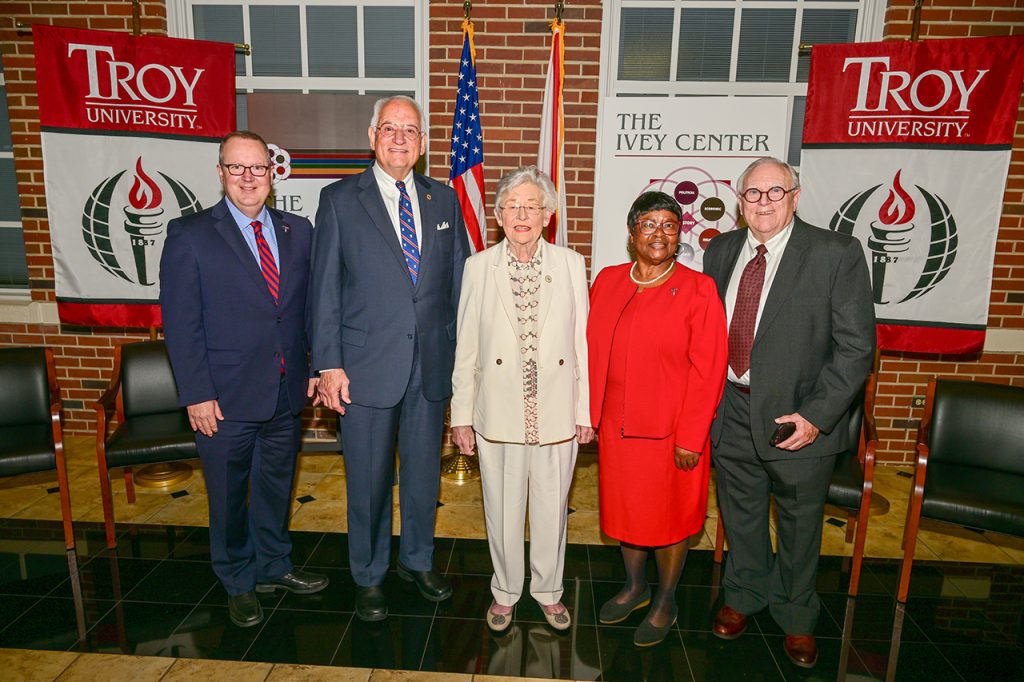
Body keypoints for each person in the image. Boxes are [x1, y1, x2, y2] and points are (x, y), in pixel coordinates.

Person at [703, 157, 875, 668]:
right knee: (741, 511)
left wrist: (817, 417)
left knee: (800, 524)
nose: (763, 203)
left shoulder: (835, 253)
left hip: (798, 417)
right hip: (732, 407)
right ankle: (745, 594)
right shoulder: (722, 251)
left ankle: (797, 616)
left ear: (795, 197)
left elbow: (855, 349)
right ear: (740, 202)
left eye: (774, 192)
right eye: (752, 194)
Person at [309, 95, 470, 621]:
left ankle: (418, 560)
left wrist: (462, 365)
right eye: (390, 129)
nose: (400, 138)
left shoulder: (443, 201)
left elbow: (459, 286)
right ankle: (370, 575)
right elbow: (324, 290)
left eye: (411, 130)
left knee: (424, 475)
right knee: (370, 480)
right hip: (363, 369)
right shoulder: (338, 200)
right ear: (372, 136)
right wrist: (328, 364)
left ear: (423, 143)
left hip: (430, 367)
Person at [160, 130, 327, 628]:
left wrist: (315, 367)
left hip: (284, 390)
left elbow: (307, 311)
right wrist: (197, 394)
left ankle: (274, 565)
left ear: (273, 174)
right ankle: (237, 579)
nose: (249, 178)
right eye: (237, 168)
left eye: (258, 168)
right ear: (221, 173)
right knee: (229, 496)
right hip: (223, 398)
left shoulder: (299, 230)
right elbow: (181, 324)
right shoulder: (189, 235)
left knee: (276, 487)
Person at [450, 166, 592, 633]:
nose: (523, 214)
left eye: (532, 206)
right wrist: (462, 415)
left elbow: (582, 343)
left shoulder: (570, 265)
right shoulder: (478, 267)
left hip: (556, 412)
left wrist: (584, 411)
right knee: (503, 511)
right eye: (513, 206)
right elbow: (466, 345)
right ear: (498, 214)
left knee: (552, 511)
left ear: (548, 215)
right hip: (499, 414)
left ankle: (549, 592)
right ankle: (505, 591)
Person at [587, 191, 728, 647]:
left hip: (673, 433)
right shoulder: (607, 281)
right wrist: (586, 416)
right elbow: (586, 353)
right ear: (632, 233)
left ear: (678, 234)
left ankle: (666, 597)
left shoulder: (697, 289)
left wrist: (691, 436)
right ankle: (634, 587)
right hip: (616, 428)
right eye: (649, 224)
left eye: (669, 225)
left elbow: (709, 368)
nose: (659, 233)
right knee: (627, 513)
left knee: (668, 519)